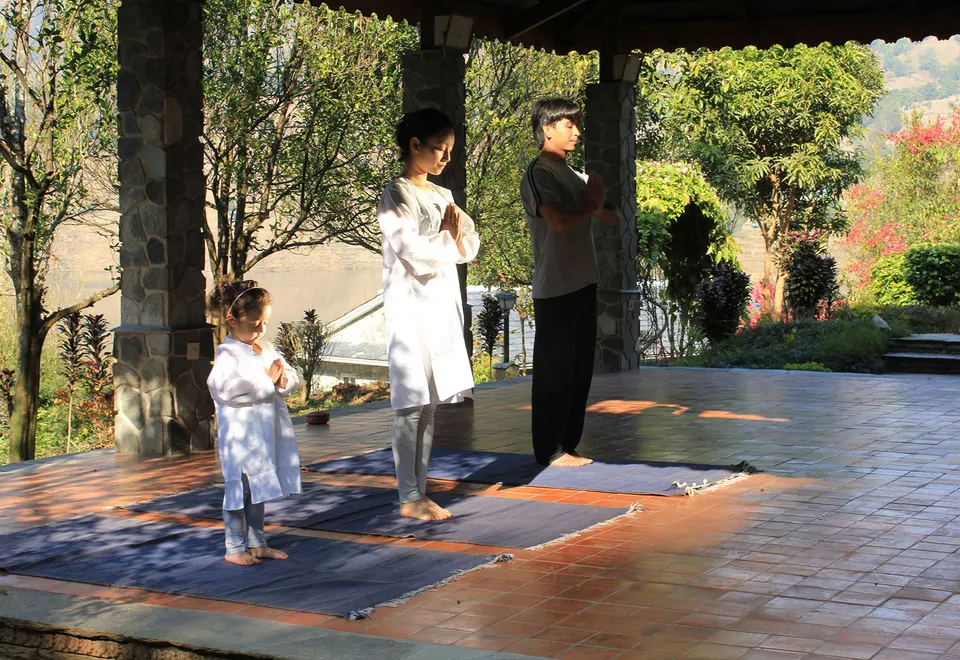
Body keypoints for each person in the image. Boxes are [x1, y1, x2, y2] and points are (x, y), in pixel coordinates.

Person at [378, 108, 480, 521]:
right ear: (415, 145)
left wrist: (454, 240)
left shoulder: (443, 196)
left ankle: (419, 491)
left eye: (450, 150)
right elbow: (411, 249)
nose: (444, 158)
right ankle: (409, 495)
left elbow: (469, 243)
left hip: (439, 305)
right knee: (410, 402)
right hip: (408, 307)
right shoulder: (396, 193)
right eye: (438, 148)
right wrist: (448, 239)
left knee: (430, 404)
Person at [520, 98, 619, 467]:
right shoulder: (539, 174)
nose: (577, 132)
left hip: (583, 282)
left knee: (578, 371)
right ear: (547, 129)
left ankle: (568, 445)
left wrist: (602, 207)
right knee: (554, 372)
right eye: (568, 125)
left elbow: (610, 216)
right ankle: (549, 450)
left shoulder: (576, 176)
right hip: (555, 286)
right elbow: (558, 221)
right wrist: (591, 208)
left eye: (578, 125)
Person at [206, 280, 302, 566]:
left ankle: (257, 541)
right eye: (255, 324)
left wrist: (284, 380)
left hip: (265, 431)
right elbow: (222, 389)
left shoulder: (264, 348)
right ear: (232, 320)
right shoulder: (227, 354)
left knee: (259, 483)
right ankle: (234, 545)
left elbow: (287, 373)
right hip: (241, 435)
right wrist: (265, 381)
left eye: (265, 323)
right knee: (239, 487)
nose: (261, 330)